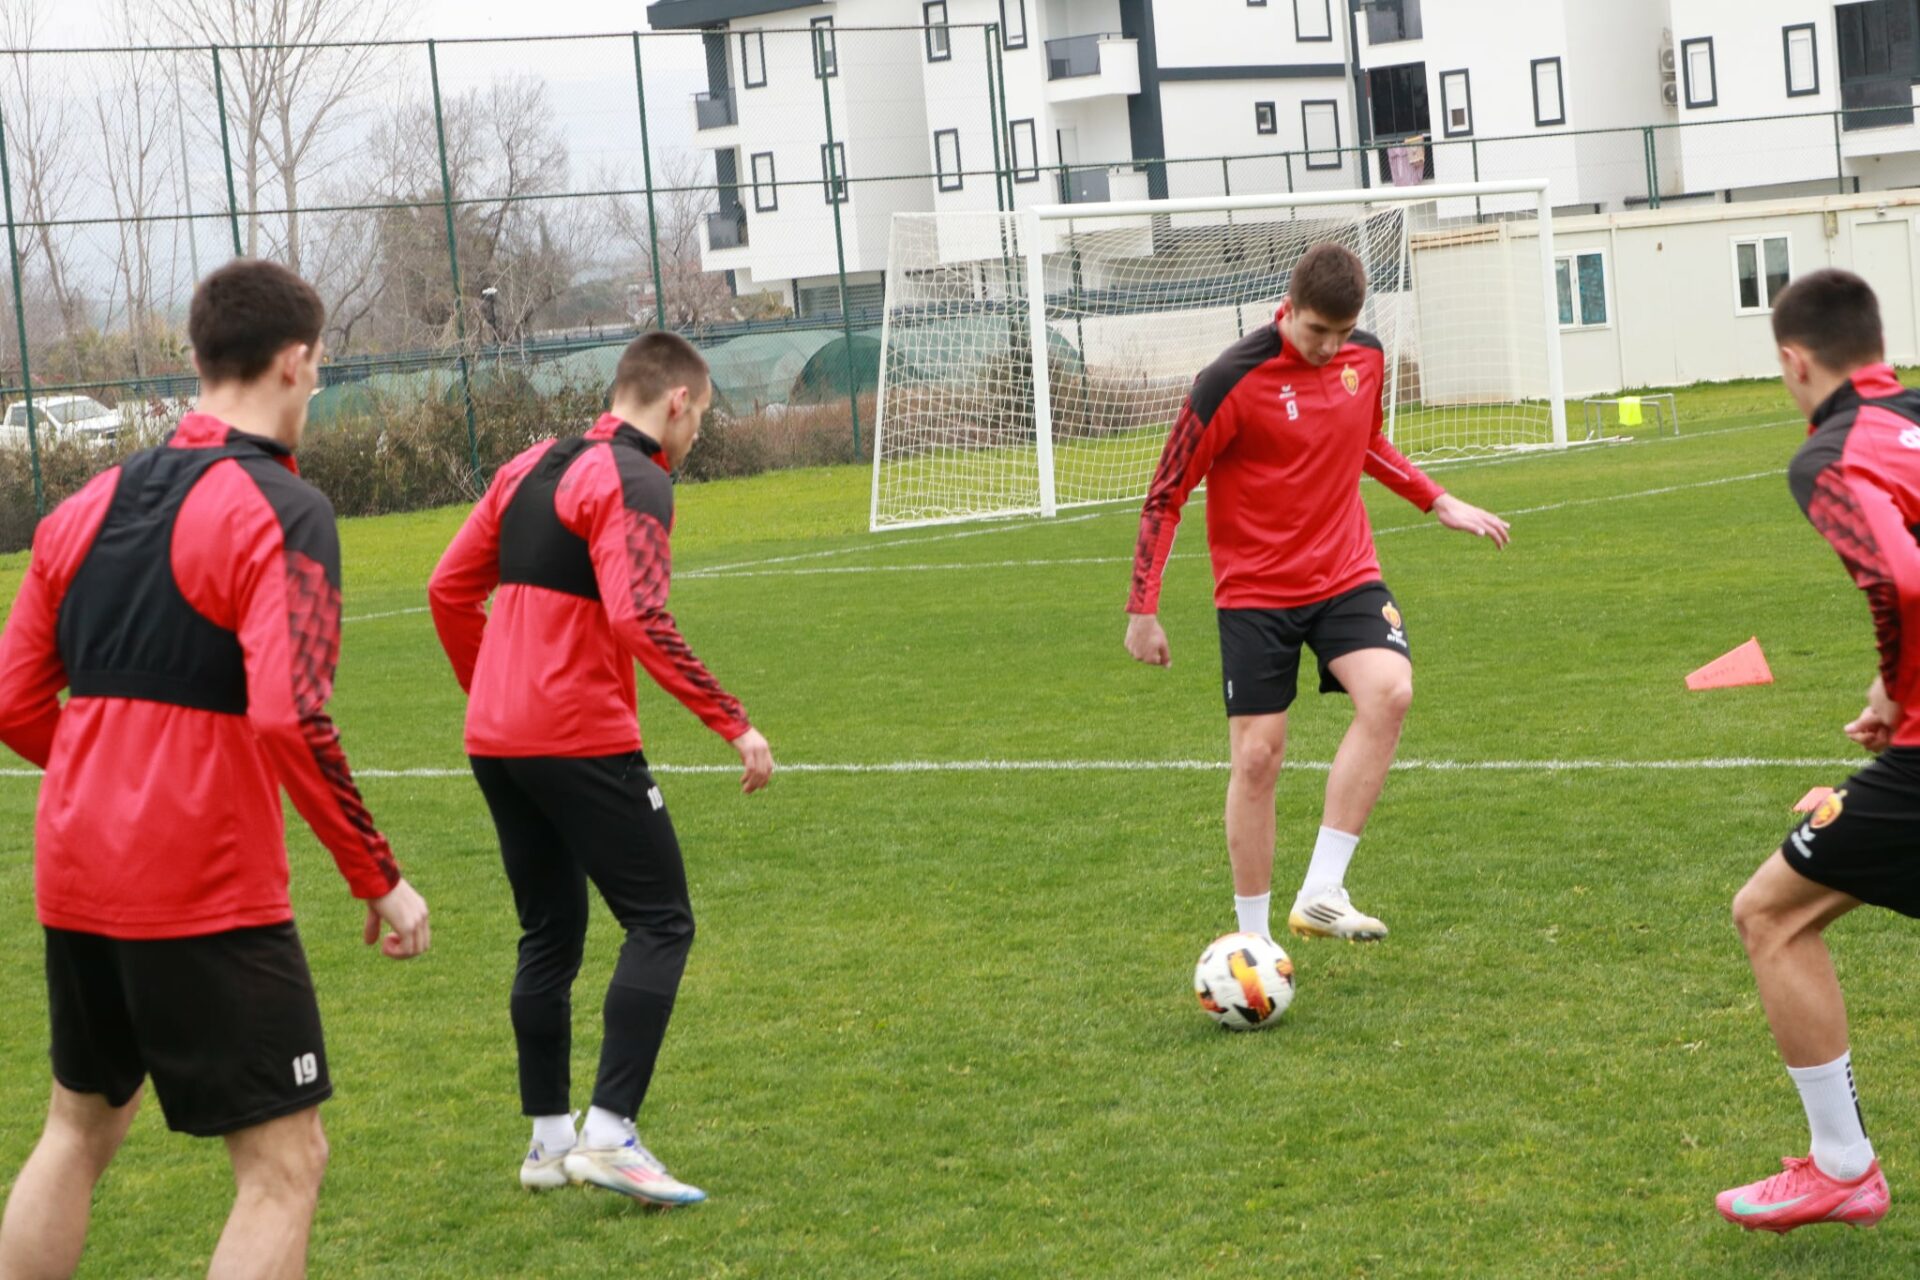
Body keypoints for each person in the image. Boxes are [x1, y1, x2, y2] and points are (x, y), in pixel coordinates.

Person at [0, 259, 429, 1280]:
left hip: (77, 872)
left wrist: (112, 787)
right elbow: (291, 716)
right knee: (285, 1164)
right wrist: (379, 876)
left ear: (199, 359)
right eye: (318, 365)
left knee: (76, 1131)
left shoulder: (83, 506)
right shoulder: (282, 507)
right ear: (295, 362)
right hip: (201, 884)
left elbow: (13, 701)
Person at [429, 330, 773, 1207]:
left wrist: (494, 691)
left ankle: (548, 1142)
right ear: (677, 402)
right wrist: (733, 723)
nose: (694, 437)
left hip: (497, 740)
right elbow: (639, 617)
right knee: (662, 921)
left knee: (549, 934)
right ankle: (611, 1134)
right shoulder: (638, 478)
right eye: (701, 418)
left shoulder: (526, 465)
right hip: (576, 734)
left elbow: (448, 589)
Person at [1124, 242, 1510, 945]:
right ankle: (1254, 941)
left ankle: (1322, 892)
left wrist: (1436, 499)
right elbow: (1165, 495)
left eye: (1343, 332)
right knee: (1258, 758)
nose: (1330, 347)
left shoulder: (1367, 357)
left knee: (1390, 692)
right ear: (1288, 309)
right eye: (1316, 332)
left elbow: (1367, 442)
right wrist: (1142, 610)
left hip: (1345, 573)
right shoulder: (1229, 381)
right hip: (1256, 592)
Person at [1716, 267, 1919, 1233]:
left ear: (1794, 361)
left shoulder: (1831, 456)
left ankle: (1843, 1168)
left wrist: (1902, 693)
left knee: (1770, 915)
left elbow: (1905, 582)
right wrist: (1893, 689)